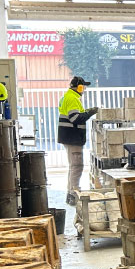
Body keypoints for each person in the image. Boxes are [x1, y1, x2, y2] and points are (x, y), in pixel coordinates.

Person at [58, 76, 98, 206]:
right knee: (77, 166)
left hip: (70, 137)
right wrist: (90, 113)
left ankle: (71, 193)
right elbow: (75, 118)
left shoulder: (69, 97)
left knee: (73, 166)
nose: (84, 89)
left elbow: (76, 114)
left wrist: (86, 111)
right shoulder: (73, 98)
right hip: (72, 137)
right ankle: (74, 194)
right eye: (83, 86)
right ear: (78, 87)